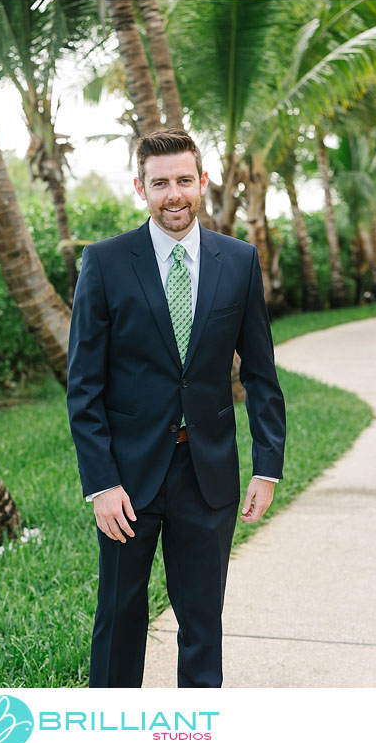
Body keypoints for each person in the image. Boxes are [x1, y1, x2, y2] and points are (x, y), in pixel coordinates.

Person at [66, 128, 286, 687]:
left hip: (207, 473)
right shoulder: (106, 262)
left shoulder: (238, 262)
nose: (174, 195)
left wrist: (267, 464)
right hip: (127, 479)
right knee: (119, 620)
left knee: (202, 623)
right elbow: (83, 387)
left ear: (203, 182)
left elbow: (260, 372)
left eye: (184, 180)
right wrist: (101, 483)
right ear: (141, 187)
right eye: (160, 183)